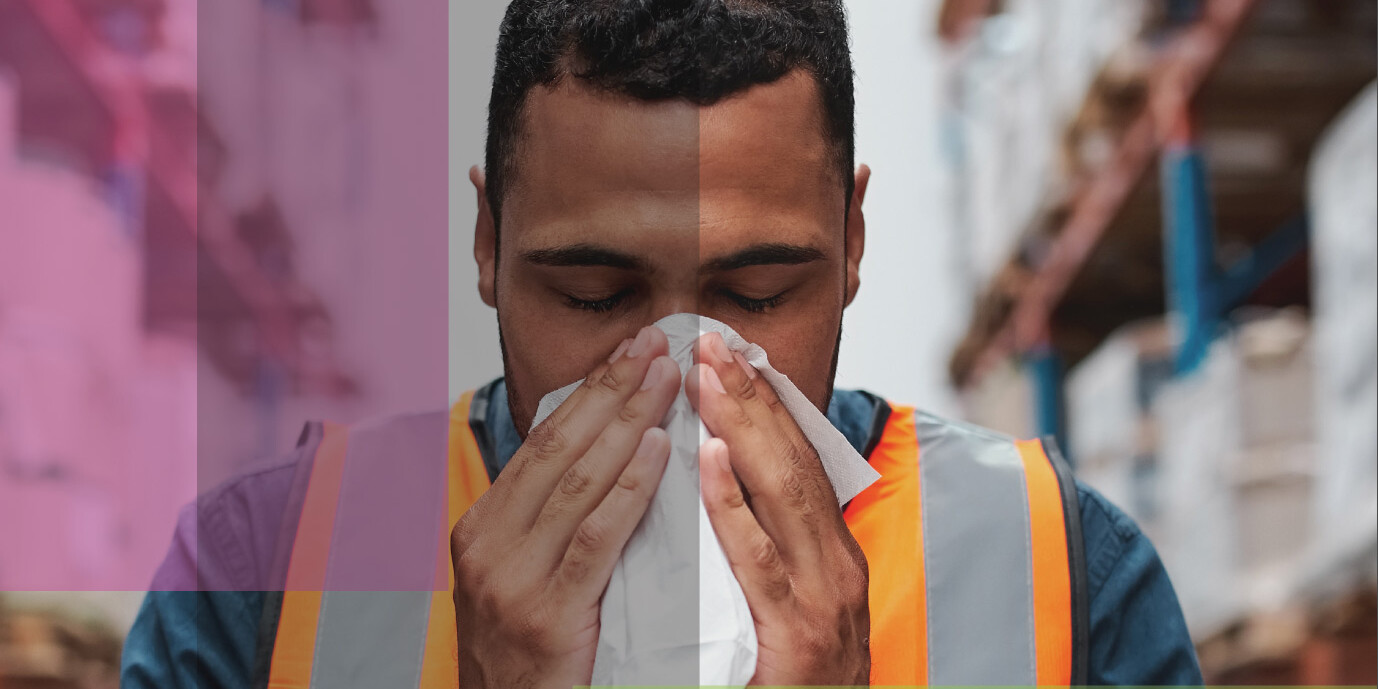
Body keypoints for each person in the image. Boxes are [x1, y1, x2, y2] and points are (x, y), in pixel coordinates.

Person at [121, 1, 1203, 686]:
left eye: (757, 291)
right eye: (593, 294)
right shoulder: (261, 578)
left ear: (851, 241)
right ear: (489, 240)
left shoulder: (1056, 570)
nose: (679, 369)